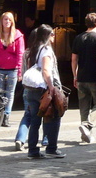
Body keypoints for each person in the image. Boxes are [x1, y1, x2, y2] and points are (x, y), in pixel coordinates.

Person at [21, 25, 65, 159]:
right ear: (47, 36)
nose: (54, 36)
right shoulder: (46, 50)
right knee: (54, 116)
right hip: (43, 89)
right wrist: (52, 87)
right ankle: (52, 148)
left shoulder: (31, 50)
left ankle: (33, 150)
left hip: (31, 89)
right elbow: (46, 70)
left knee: (34, 120)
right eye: (52, 34)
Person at [72, 12, 96, 144]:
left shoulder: (78, 38)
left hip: (81, 77)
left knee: (84, 106)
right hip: (95, 77)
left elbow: (74, 59)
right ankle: (88, 125)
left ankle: (85, 136)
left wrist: (75, 76)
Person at [0, 12, 25, 127]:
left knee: (9, 94)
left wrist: (20, 71)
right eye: (5, 19)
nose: (7, 22)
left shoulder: (18, 35)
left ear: (12, 22)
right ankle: (0, 115)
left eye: (9, 20)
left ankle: (6, 116)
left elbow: (21, 54)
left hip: (12, 69)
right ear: (1, 21)